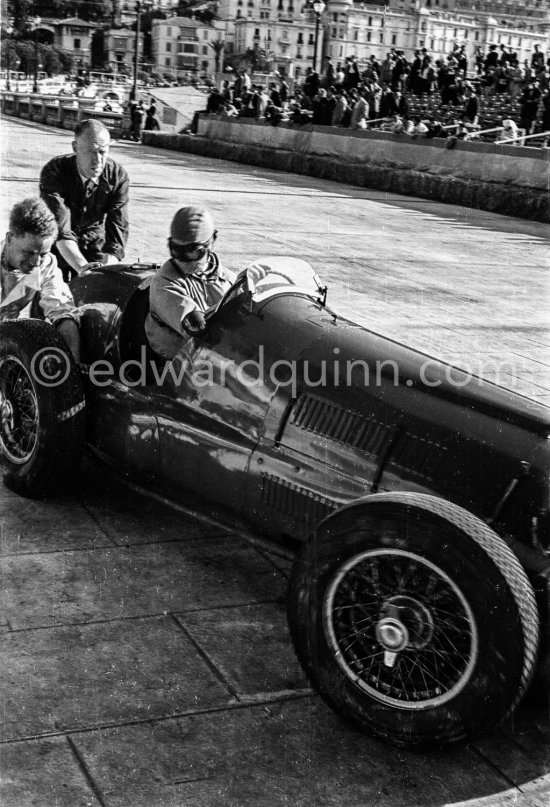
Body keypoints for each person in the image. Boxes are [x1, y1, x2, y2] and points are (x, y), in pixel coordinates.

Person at [40, 119, 130, 280]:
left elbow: (118, 225)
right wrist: (82, 267)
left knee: (97, 294)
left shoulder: (117, 176)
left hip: (93, 243)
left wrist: (106, 268)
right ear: (75, 148)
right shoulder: (55, 170)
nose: (98, 160)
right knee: (48, 295)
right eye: (91, 151)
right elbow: (60, 226)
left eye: (103, 152)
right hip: (56, 245)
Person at [145, 206, 236, 360]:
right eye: (176, 250)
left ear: (211, 242)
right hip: (178, 369)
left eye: (192, 251)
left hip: (219, 363)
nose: (182, 259)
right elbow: (197, 327)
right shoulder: (163, 282)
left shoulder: (230, 280)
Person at [0, 198, 80, 361]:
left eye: (42, 254)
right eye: (29, 252)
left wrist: (72, 370)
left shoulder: (46, 264)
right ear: (9, 239)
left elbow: (63, 311)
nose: (36, 263)